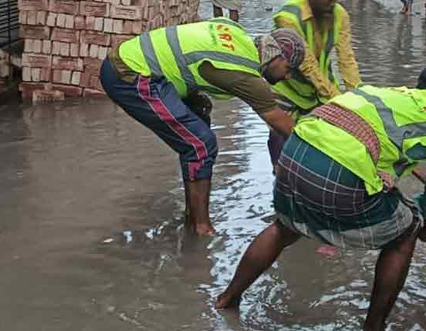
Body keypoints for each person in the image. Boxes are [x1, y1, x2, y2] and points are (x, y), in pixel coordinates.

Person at [215, 64, 426, 331]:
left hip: (294, 154)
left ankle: (227, 298)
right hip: (338, 172)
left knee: (285, 226)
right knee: (407, 231)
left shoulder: (381, 94)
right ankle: (374, 330)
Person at [99, 19, 306, 237]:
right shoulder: (244, 73)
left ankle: (191, 215)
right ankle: (200, 228)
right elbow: (279, 122)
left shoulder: (237, 34)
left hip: (132, 59)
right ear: (277, 57)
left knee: (199, 112)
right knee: (200, 144)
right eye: (289, 69)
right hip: (129, 75)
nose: (288, 76)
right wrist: (318, 145)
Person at [271, 0, 361, 165]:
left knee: (327, 149)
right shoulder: (289, 18)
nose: (333, 4)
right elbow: (308, 66)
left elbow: (347, 59)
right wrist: (338, 100)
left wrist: (357, 99)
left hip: (321, 90)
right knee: (283, 150)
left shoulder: (339, 14)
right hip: (287, 92)